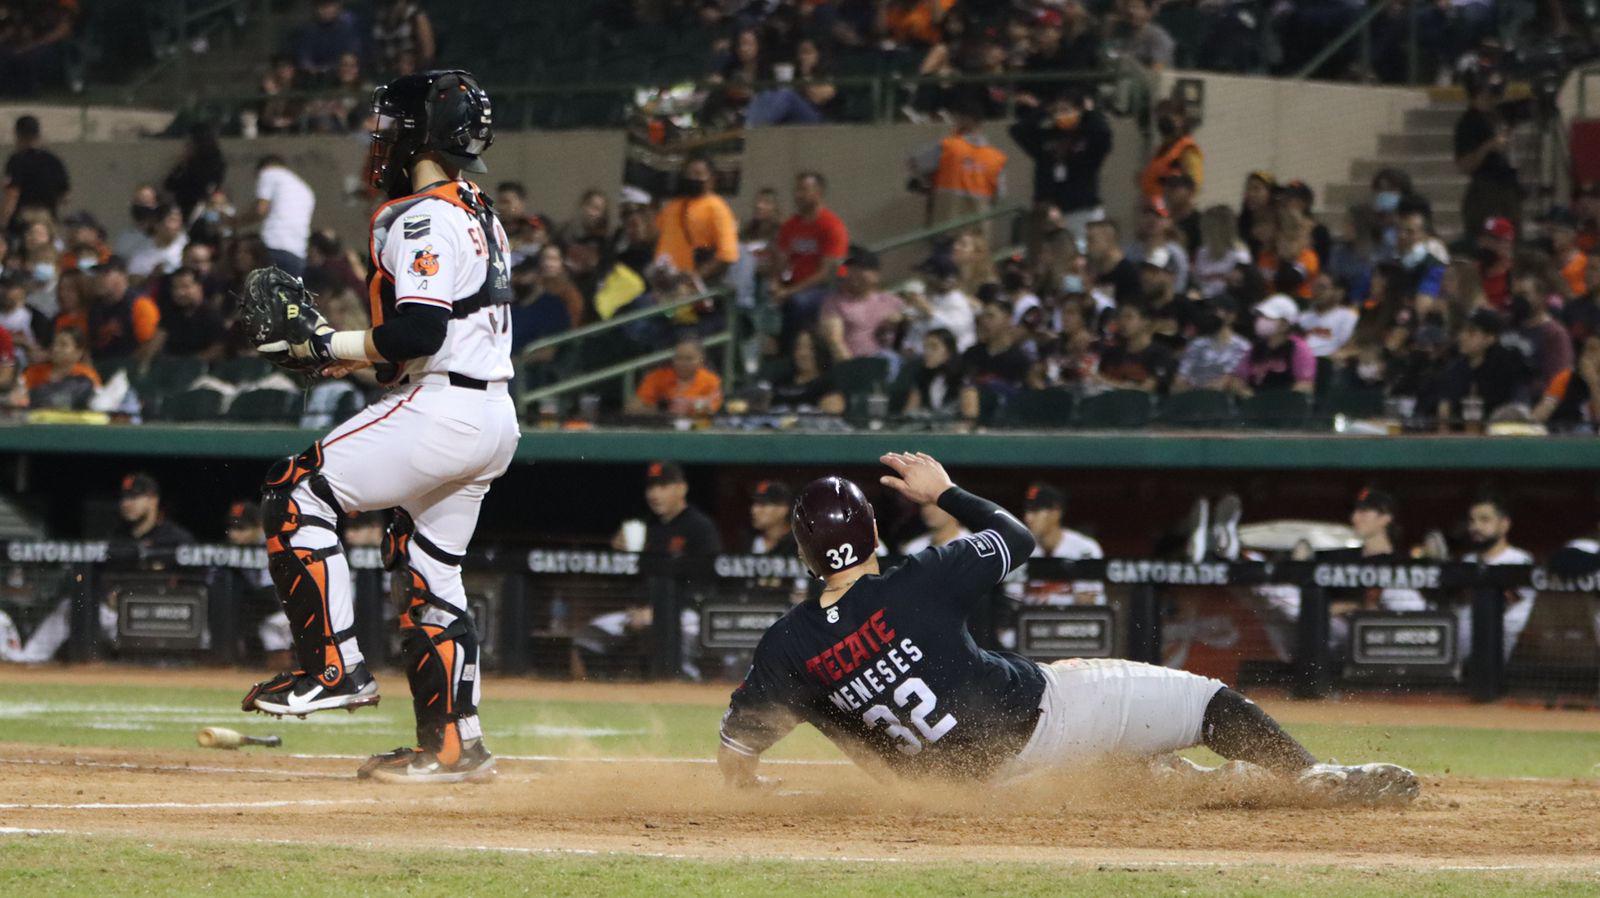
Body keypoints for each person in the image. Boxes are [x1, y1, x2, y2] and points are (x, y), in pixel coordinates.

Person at [717, 453, 1418, 804]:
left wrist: (753, 788)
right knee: (1207, 702)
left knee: (1141, 776)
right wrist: (944, 493)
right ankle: (1310, 778)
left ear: (803, 553)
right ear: (872, 531)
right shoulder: (916, 580)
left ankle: (1220, 786)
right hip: (1044, 720)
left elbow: (736, 755)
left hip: (975, 797)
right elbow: (1015, 537)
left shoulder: (788, 646)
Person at [237, 69, 517, 786]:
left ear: (419, 131)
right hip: (489, 413)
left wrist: (324, 346)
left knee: (296, 492)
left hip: (446, 410)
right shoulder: (479, 208)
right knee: (430, 571)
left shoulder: (421, 216)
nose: (380, 138)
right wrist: (342, 357)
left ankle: (333, 668)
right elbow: (410, 350)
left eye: (390, 126)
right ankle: (455, 747)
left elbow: (417, 328)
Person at [1008, 90, 1112, 240]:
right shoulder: (1048, 137)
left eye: (1065, 110)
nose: (1061, 115)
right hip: (1052, 212)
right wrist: (1043, 109)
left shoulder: (1089, 137)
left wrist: (1090, 112)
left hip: (1083, 209)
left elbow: (1104, 133)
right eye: (1056, 111)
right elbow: (1018, 131)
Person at [1455, 494, 1537, 664]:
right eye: (1472, 520)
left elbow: (1515, 600)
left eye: (1484, 520)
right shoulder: (1467, 560)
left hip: (1505, 652)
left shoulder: (1520, 560)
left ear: (1504, 524)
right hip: (1464, 653)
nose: (1475, 527)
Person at [908, 95, 1008, 228]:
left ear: (963, 119)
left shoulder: (948, 146)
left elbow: (913, 163)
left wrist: (926, 181)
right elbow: (1000, 195)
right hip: (977, 233)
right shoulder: (997, 157)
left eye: (954, 118)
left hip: (946, 224)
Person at [773, 171, 849, 339]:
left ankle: (788, 350)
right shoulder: (790, 225)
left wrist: (789, 292)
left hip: (823, 289)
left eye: (803, 190)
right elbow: (781, 261)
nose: (797, 195)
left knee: (798, 302)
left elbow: (827, 273)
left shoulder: (832, 226)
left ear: (818, 193)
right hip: (792, 285)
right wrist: (776, 284)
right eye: (796, 190)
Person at [1433, 308, 1530, 428]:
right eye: (1462, 331)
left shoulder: (1507, 367)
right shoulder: (1455, 368)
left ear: (1490, 338)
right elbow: (1444, 408)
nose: (1462, 337)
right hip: (1459, 438)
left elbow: (1518, 405)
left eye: (1471, 332)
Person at [1455, 66, 1521, 238]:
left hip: (1508, 188)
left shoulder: (1498, 115)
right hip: (1485, 191)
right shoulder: (1468, 123)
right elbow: (1464, 165)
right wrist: (1487, 147)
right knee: (1485, 236)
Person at [1015, 483, 1105, 606]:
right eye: (1027, 511)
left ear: (1056, 512)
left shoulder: (1084, 548)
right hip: (1031, 621)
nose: (1028, 518)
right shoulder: (1020, 549)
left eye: (1036, 511)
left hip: (1074, 622)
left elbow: (1090, 602)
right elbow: (1012, 601)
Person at [654, 157, 740, 287]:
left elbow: (726, 255)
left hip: (690, 286)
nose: (692, 178)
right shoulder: (673, 205)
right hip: (664, 280)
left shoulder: (717, 208)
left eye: (698, 174)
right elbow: (656, 234)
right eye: (689, 174)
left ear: (711, 179)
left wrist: (695, 279)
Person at [818, 249, 904, 362]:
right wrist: (852, 368)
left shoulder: (891, 301)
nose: (854, 276)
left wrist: (899, 320)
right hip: (854, 362)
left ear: (876, 275)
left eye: (860, 270)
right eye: (851, 271)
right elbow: (834, 340)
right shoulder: (834, 303)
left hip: (887, 360)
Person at [1231, 294, 1314, 396]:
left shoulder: (1298, 348)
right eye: (1261, 316)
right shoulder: (1255, 347)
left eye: (1268, 318)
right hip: (1254, 405)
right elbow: (1238, 379)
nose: (1261, 320)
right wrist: (1242, 391)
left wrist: (1273, 400)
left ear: (1285, 324)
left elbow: (1305, 385)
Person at [250, 156, 316, 277]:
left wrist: (234, 222)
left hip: (273, 246)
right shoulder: (305, 189)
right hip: (297, 254)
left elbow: (260, 210)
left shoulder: (269, 173)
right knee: (285, 295)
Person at [1, 115, 69, 232]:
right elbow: (65, 196)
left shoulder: (17, 160)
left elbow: (12, 194)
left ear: (18, 135)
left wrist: (3, 223)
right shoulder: (53, 160)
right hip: (47, 219)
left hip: (22, 220)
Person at [87, 257, 161, 363]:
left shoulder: (140, 304)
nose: (98, 278)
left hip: (132, 369)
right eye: (97, 274)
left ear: (123, 275)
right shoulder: (95, 307)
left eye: (105, 273)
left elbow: (149, 347)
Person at [630, 336, 724, 416]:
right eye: (679, 358)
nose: (683, 363)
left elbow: (713, 409)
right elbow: (633, 407)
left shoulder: (711, 380)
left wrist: (690, 405)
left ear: (701, 360)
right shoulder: (657, 377)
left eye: (689, 359)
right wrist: (663, 409)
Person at [1174, 293, 1249, 392]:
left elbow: (1228, 383)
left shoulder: (1242, 347)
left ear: (1231, 316)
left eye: (1215, 310)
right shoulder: (1197, 344)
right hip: (1192, 401)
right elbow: (1179, 382)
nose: (1210, 314)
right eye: (1208, 310)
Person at [1096, 302, 1174, 394]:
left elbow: (1145, 390)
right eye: (1120, 317)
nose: (1122, 322)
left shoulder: (1160, 354)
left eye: (1129, 317)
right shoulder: (1111, 353)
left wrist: (1107, 383)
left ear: (1145, 322)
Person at [157, 267, 229, 361]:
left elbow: (218, 349)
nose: (180, 293)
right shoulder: (170, 314)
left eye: (185, 287)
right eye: (175, 288)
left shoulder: (212, 316)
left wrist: (189, 363)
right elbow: (157, 341)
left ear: (199, 287)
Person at [22, 326, 99, 410]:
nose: (56, 349)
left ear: (78, 352)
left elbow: (97, 403)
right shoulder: (34, 371)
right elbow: (22, 398)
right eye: (55, 344)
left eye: (63, 345)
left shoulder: (87, 375)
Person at [770, 329, 844, 414]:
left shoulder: (828, 384)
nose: (803, 353)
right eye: (799, 347)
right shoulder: (781, 380)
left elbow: (833, 411)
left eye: (811, 348)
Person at [1140, 101, 1202, 202]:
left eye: (1167, 116)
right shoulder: (1162, 150)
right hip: (1154, 207)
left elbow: (1193, 185)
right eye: (1159, 118)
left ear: (1181, 119)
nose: (1163, 121)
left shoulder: (1187, 149)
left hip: (1170, 209)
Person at [1298, 273, 1358, 362]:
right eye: (1314, 287)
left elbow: (1351, 348)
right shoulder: (1303, 317)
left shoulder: (1348, 317)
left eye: (1322, 287)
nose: (1316, 291)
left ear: (1338, 292)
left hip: (1330, 364)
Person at [126, 205, 188, 280]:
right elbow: (133, 278)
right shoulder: (141, 251)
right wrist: (152, 276)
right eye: (172, 220)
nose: (177, 226)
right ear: (157, 224)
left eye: (179, 221)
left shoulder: (187, 245)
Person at [748, 480, 796, 556]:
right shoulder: (746, 543)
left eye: (763, 504)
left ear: (782, 509)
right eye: (755, 503)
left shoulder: (799, 545)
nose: (754, 510)